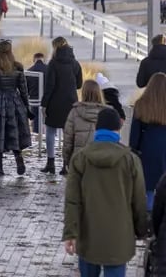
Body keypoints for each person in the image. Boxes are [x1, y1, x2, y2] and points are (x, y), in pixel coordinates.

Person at [63, 108, 147, 277]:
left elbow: (72, 200)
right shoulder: (130, 160)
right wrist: (141, 230)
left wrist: (70, 233)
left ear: (96, 128)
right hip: (119, 237)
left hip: (88, 236)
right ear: (118, 129)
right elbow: (138, 200)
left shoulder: (80, 159)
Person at [0, 40, 31, 176]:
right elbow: (24, 90)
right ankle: (18, 158)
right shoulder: (18, 67)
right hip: (14, 101)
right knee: (14, 133)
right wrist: (26, 106)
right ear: (10, 50)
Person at [41, 36, 83, 176]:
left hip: (54, 102)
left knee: (51, 132)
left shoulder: (53, 63)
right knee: (68, 134)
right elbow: (79, 84)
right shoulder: (75, 63)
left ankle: (51, 163)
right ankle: (66, 165)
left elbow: (50, 86)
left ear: (55, 48)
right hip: (71, 102)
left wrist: (44, 104)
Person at [129, 72, 166, 211]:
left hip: (147, 151)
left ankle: (148, 222)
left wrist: (134, 152)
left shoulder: (141, 105)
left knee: (149, 190)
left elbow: (134, 138)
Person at [62, 80, 109, 174]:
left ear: (83, 93)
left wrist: (66, 160)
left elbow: (68, 140)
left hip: (79, 160)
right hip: (102, 160)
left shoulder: (74, 113)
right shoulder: (108, 114)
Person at [26, 53, 48, 134]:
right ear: (43, 59)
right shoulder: (49, 69)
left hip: (34, 100)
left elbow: (25, 89)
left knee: (36, 119)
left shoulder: (29, 71)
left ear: (34, 60)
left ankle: (37, 137)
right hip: (47, 101)